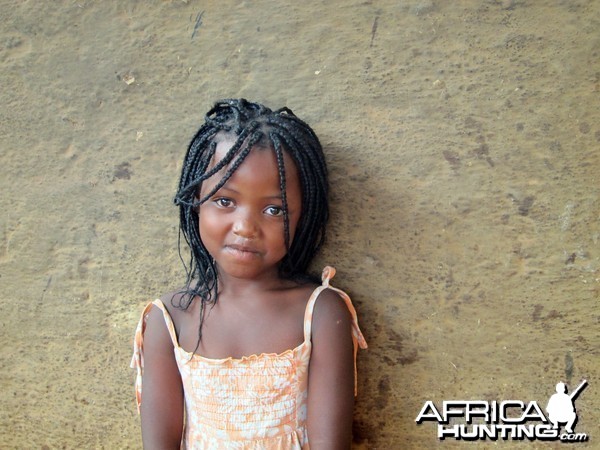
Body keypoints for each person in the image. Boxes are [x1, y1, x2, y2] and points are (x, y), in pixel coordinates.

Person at [131, 99, 367, 449]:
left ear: (305, 215)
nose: (245, 228)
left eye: (274, 209)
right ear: (195, 201)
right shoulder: (170, 320)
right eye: (225, 201)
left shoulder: (319, 312)